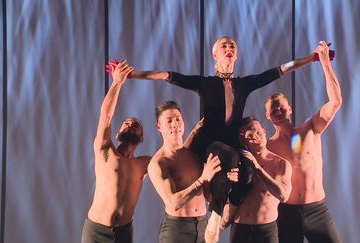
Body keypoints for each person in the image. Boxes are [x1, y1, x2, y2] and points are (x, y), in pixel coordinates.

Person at [106, 36, 316, 241]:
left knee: (248, 171)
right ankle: (215, 217)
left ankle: (228, 212)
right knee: (227, 156)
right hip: (209, 142)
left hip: (232, 142)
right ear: (215, 55)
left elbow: (283, 68)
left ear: (235, 55)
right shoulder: (205, 84)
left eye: (232, 45)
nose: (228, 47)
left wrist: (312, 58)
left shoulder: (244, 84)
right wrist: (131, 74)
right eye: (223, 45)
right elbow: (165, 75)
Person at [265, 41, 342, 243]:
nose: (278, 111)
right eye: (273, 109)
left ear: (289, 109)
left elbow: (335, 102)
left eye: (281, 107)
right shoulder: (266, 147)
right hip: (286, 213)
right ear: (267, 116)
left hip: (317, 210)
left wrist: (325, 63)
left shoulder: (310, 129)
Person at [148, 101, 238, 243]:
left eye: (178, 119)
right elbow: (173, 203)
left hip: (203, 225)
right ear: (159, 127)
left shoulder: (194, 156)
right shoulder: (158, 163)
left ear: (183, 122)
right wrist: (202, 179)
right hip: (177, 230)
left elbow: (208, 196)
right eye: (169, 121)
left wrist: (226, 180)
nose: (175, 124)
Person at [81, 61, 151, 243]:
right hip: (96, 231)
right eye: (126, 123)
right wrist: (117, 82)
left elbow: (171, 157)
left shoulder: (144, 164)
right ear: (118, 134)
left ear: (141, 138)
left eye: (135, 125)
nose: (130, 125)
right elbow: (105, 116)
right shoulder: (105, 150)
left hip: (123, 233)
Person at [228, 116, 292, 243]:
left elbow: (284, 195)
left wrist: (258, 169)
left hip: (266, 231)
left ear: (264, 132)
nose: (256, 137)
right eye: (250, 135)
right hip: (240, 228)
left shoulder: (280, 164)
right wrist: (229, 180)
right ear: (242, 139)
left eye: (258, 132)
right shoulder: (236, 162)